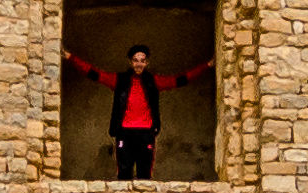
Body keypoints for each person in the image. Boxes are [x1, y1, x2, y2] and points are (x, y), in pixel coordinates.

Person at [66, 39, 208, 178]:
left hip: (146, 133)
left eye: (142, 60)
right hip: (124, 133)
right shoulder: (119, 80)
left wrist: (207, 65)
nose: (138, 64)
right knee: (124, 174)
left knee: (144, 175)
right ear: (130, 62)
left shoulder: (153, 81)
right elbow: (94, 74)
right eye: (135, 60)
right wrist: (70, 57)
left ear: (147, 63)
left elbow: (180, 80)